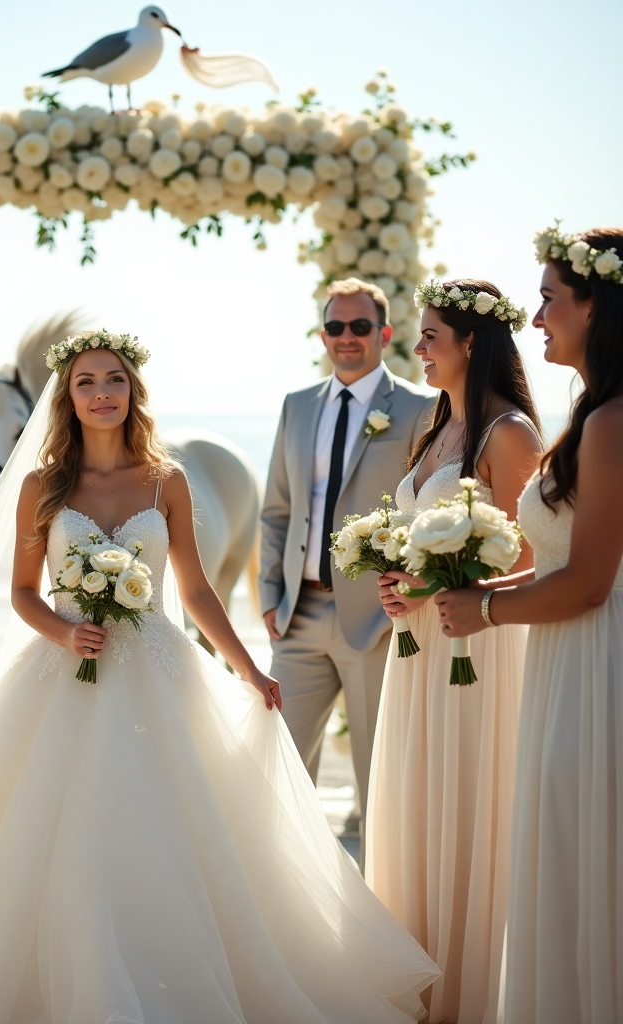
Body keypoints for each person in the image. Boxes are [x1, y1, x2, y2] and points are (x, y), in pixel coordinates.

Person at [0, 329, 440, 1023]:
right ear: (66, 397)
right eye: (86, 382)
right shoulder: (41, 486)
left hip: (159, 670)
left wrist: (249, 666)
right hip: (63, 670)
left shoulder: (167, 480)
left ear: (132, 391)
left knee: (171, 832)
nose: (101, 393)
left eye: (113, 380)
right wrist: (65, 631)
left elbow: (195, 593)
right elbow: (21, 593)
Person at [436, 227, 623, 1024]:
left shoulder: (614, 420)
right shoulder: (592, 413)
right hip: (564, 665)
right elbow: (554, 562)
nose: (537, 317)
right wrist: (466, 586)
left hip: (594, 667)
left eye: (549, 299)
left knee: (582, 857)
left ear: (597, 306)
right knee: (560, 855)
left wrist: (482, 611)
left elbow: (587, 584)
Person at [366, 279, 542, 1023]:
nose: (419, 349)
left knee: (468, 801)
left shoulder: (510, 434)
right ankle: (421, 979)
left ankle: (468, 992)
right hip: (419, 650)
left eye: (431, 335)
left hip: (476, 650)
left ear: (473, 342)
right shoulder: (438, 427)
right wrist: (398, 579)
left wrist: (442, 579)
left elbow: (533, 553)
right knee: (417, 803)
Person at [259, 277, 434, 858]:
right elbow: (277, 509)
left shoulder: (418, 408)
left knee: (379, 774)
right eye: (336, 326)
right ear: (323, 334)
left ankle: (384, 900)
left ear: (384, 334)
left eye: (361, 327)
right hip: (298, 614)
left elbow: (427, 511)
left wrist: (408, 593)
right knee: (275, 762)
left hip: (377, 622)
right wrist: (268, 595)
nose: (347, 337)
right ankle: (281, 892)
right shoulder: (296, 405)